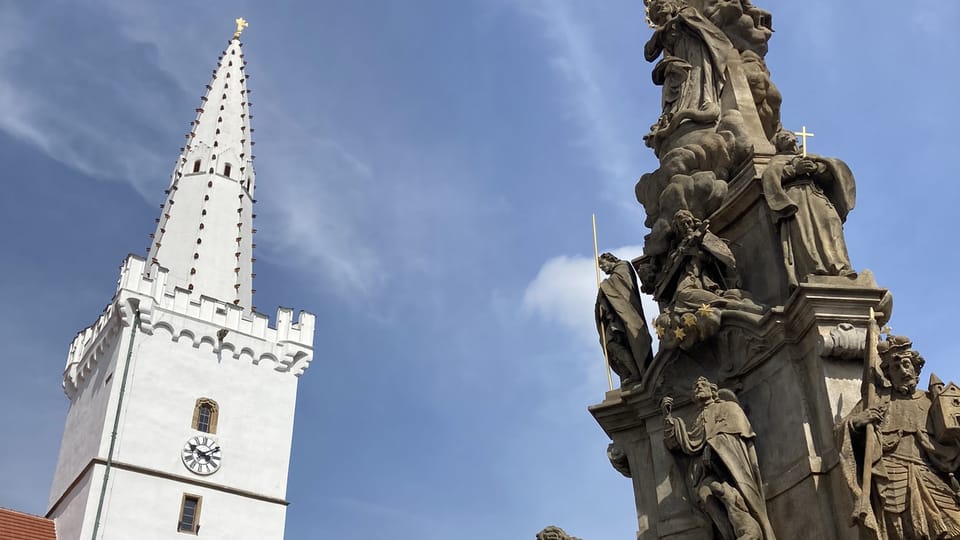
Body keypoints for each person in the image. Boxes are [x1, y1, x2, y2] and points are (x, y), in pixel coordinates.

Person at [838, 336, 960, 539]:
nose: (903, 371)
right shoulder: (876, 401)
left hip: (933, 476)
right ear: (887, 374)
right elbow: (842, 431)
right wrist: (858, 422)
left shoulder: (933, 402)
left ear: (916, 368)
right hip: (893, 480)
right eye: (896, 368)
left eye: (906, 364)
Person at [662, 377, 777, 539]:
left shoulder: (728, 408)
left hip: (730, 465)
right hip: (705, 471)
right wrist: (667, 417)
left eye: (702, 385)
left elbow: (739, 433)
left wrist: (714, 448)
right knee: (705, 494)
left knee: (730, 495)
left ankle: (750, 531)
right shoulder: (697, 421)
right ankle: (729, 535)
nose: (698, 387)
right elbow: (677, 444)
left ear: (713, 390)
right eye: (695, 387)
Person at [761, 153, 856, 289]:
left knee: (831, 224)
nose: (791, 140)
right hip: (795, 198)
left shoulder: (811, 156)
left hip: (816, 195)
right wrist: (794, 170)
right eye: (785, 137)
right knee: (804, 234)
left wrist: (817, 168)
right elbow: (770, 177)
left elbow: (835, 171)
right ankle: (815, 269)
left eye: (792, 137)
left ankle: (841, 267)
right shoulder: (778, 160)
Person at [595, 253, 654, 387]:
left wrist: (604, 286)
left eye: (602, 265)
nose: (602, 269)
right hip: (615, 317)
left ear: (610, 259)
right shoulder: (613, 276)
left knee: (619, 341)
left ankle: (636, 373)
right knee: (610, 343)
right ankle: (631, 372)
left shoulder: (623, 266)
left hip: (626, 314)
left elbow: (622, 285)